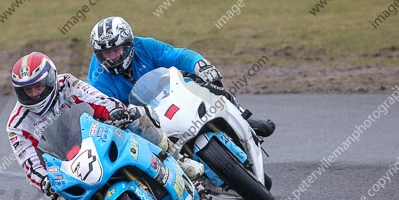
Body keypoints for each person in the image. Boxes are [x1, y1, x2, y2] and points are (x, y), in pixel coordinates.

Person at [6, 51, 200, 200]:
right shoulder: (18, 124)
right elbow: (30, 163)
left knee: (136, 117)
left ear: (51, 79)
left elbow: (95, 98)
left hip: (99, 140)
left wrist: (114, 110)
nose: (34, 94)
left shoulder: (67, 84)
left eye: (38, 87)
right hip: (68, 172)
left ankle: (178, 159)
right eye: (28, 90)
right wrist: (44, 181)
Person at [87, 16, 276, 139]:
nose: (110, 57)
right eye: (105, 53)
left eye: (115, 50)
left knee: (207, 86)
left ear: (129, 45)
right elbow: (101, 105)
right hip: (142, 120)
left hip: (171, 93)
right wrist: (116, 114)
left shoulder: (145, 46)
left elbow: (177, 56)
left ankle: (244, 121)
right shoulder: (98, 78)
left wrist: (201, 65)